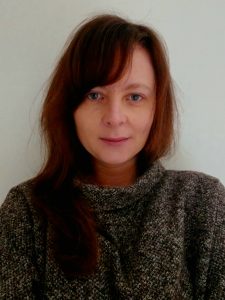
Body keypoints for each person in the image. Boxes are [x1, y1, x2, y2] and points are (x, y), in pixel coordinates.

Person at [1, 14, 225, 300]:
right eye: (95, 95)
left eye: (135, 97)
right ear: (70, 107)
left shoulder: (203, 204)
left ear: (157, 108)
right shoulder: (26, 213)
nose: (114, 118)